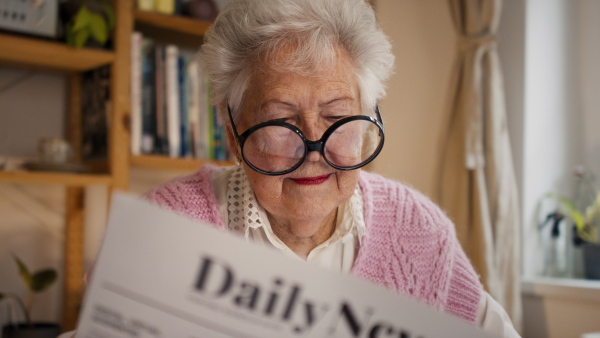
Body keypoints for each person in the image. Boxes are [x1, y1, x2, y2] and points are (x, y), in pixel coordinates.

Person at [59, 0, 519, 337]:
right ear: (233, 129)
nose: (314, 148)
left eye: (338, 118)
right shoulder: (167, 225)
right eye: (282, 121)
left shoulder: (419, 230)